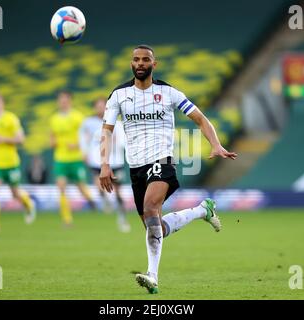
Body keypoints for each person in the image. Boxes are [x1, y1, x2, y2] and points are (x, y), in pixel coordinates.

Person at [99, 45, 238, 294]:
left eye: (145, 60)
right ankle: (201, 211)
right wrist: (105, 163)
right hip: (136, 167)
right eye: (136, 59)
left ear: (154, 64)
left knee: (151, 207)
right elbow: (107, 131)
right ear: (131, 64)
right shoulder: (118, 95)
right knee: (156, 228)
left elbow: (200, 119)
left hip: (162, 161)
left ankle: (152, 276)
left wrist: (216, 144)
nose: (140, 63)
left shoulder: (168, 92)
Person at [0, 93, 36, 236]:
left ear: (2, 103)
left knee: (15, 193)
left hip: (11, 163)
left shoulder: (10, 118)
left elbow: (21, 139)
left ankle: (29, 204)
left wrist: (5, 139)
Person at [80, 97, 130, 233]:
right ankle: (106, 199)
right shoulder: (88, 123)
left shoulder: (118, 124)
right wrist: (85, 152)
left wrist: (114, 141)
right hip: (98, 161)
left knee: (118, 192)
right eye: (98, 106)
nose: (101, 108)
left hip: (115, 161)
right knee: (99, 185)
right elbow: (84, 139)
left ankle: (122, 217)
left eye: (103, 106)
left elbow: (123, 142)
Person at [50, 91, 97, 226]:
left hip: (76, 158)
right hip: (60, 158)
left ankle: (91, 201)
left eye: (65, 100)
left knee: (80, 187)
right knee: (61, 188)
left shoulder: (77, 117)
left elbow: (87, 136)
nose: (63, 102)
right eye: (61, 100)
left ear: (70, 101)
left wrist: (77, 145)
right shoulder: (54, 118)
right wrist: (53, 142)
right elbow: (52, 137)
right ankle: (67, 219)